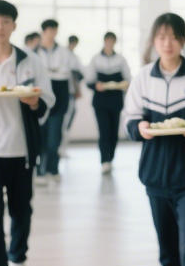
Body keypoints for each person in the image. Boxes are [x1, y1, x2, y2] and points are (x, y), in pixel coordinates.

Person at [124, 13, 185, 266]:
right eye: (162, 37)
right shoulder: (143, 78)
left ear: (183, 40)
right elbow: (131, 121)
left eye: (174, 37)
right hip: (155, 176)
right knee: (167, 249)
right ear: (153, 41)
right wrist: (141, 129)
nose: (168, 43)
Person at [0, 0, 54, 266]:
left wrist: (34, 102)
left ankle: (17, 258)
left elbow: (48, 97)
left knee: (20, 210)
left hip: (21, 150)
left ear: (14, 25)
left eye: (4, 22)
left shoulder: (30, 61)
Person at [33, 19, 74, 184]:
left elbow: (66, 72)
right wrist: (52, 72)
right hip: (39, 94)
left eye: (54, 30)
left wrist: (48, 72)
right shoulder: (34, 52)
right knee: (39, 136)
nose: (52, 33)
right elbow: (35, 74)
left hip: (59, 95)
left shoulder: (64, 51)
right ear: (44, 31)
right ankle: (40, 171)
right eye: (49, 30)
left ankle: (53, 169)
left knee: (54, 136)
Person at [85, 31, 131, 174]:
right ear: (104, 41)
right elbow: (89, 80)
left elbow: (128, 78)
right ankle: (104, 160)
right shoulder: (96, 59)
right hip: (100, 101)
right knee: (104, 131)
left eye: (112, 41)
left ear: (115, 42)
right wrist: (96, 86)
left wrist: (125, 85)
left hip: (116, 100)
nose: (110, 43)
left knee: (113, 132)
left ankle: (110, 158)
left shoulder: (121, 59)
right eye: (108, 41)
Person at [60, 35, 84, 157]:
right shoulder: (63, 55)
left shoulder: (74, 57)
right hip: (64, 93)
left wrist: (77, 90)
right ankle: (59, 149)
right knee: (63, 121)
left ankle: (62, 148)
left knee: (67, 121)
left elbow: (79, 75)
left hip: (71, 94)